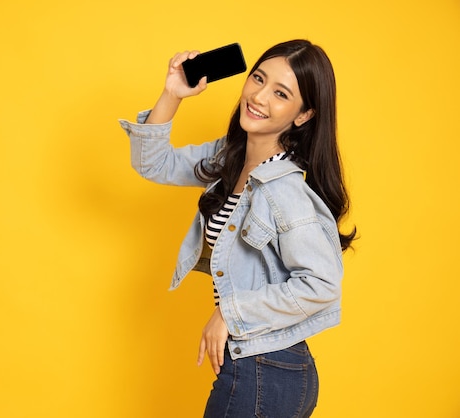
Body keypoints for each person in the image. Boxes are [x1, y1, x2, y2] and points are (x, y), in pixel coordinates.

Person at [119, 39, 356, 418]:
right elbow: (153, 164)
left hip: (266, 367)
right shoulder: (227, 158)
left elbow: (323, 285)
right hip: (261, 367)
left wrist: (229, 312)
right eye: (258, 79)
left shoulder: (285, 190)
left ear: (303, 115)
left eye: (280, 93)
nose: (259, 97)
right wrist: (172, 93)